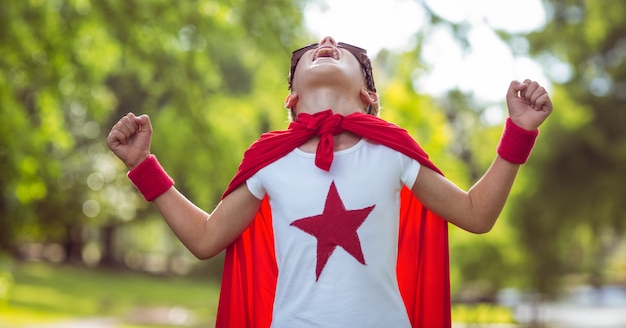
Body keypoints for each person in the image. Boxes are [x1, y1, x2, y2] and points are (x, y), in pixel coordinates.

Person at [107, 36, 553, 328]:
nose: (326, 41)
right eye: (307, 50)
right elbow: (206, 239)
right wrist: (144, 165)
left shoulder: (392, 150)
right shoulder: (269, 160)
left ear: (370, 96)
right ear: (292, 98)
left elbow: (476, 215)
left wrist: (520, 131)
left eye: (349, 51)